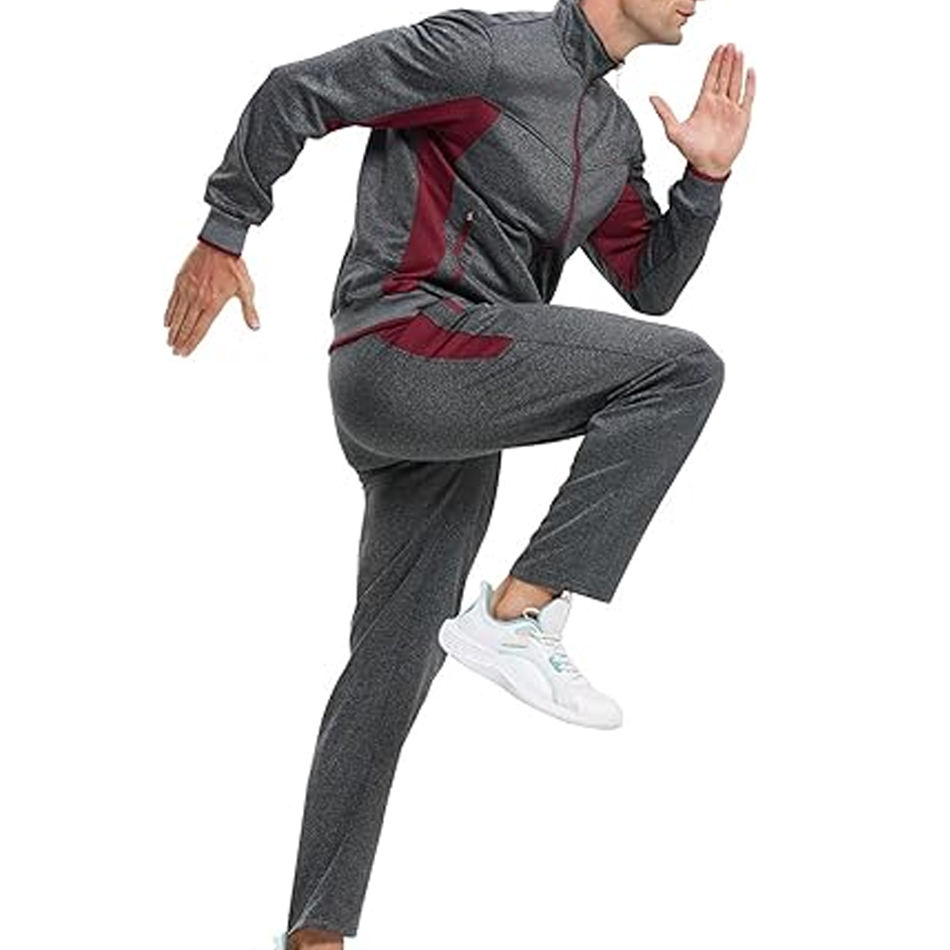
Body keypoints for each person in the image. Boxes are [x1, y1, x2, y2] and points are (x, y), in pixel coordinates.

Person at [162, 0, 755, 944]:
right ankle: (517, 614)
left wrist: (706, 180)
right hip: (405, 346)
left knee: (392, 665)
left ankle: (314, 934)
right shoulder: (482, 51)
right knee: (683, 371)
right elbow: (298, 91)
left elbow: (649, 282)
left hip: (461, 400)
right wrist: (223, 231)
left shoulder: (611, 132)